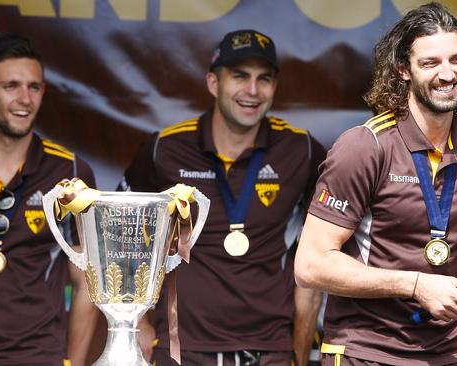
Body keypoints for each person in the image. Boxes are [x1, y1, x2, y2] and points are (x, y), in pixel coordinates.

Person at [294, 3, 457, 365]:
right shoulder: (365, 146)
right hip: (364, 352)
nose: (447, 73)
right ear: (403, 70)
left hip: (448, 354)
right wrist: (415, 284)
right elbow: (310, 264)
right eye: (430, 63)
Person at [119, 29, 326, 366]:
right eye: (240, 76)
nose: (253, 91)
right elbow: (121, 236)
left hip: (269, 348)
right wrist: (138, 323)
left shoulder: (300, 150)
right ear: (213, 83)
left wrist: (300, 352)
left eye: (265, 79)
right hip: (180, 346)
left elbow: (325, 247)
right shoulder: (164, 150)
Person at [0, 34, 97, 365]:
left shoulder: (70, 173)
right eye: (11, 86)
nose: (24, 99)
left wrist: (72, 363)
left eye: (34, 87)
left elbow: (86, 281)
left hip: (37, 356)